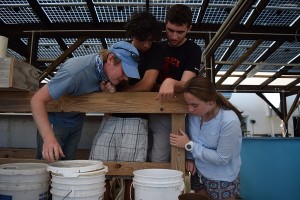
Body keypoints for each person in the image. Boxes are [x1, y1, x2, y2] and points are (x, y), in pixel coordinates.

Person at [89, 12, 163, 200]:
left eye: (150, 40)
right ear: (132, 34)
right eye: (142, 39)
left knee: (133, 171)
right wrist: (106, 90)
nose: (146, 44)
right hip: (111, 117)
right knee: (99, 167)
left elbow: (147, 84)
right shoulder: (119, 50)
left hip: (137, 118)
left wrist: (117, 96)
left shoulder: (156, 51)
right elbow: (103, 79)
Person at [31, 41, 140, 163]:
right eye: (124, 71)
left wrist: (101, 89)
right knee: (47, 169)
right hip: (56, 125)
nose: (126, 78)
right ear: (110, 59)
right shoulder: (74, 71)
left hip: (76, 122)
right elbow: (37, 100)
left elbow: (85, 88)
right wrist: (48, 138)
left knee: (66, 169)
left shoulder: (102, 72)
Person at [170, 76, 243, 200]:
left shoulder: (229, 121)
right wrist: (189, 158)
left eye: (194, 105)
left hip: (222, 179)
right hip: (198, 175)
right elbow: (189, 138)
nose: (190, 109)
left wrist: (189, 146)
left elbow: (222, 159)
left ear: (211, 101)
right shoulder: (194, 116)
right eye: (188, 104)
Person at [148, 4, 202, 162]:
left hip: (171, 110)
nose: (174, 36)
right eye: (170, 30)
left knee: (160, 158)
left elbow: (187, 84)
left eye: (180, 32)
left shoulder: (193, 50)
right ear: (165, 24)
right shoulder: (158, 47)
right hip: (146, 108)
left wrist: (171, 81)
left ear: (189, 28)